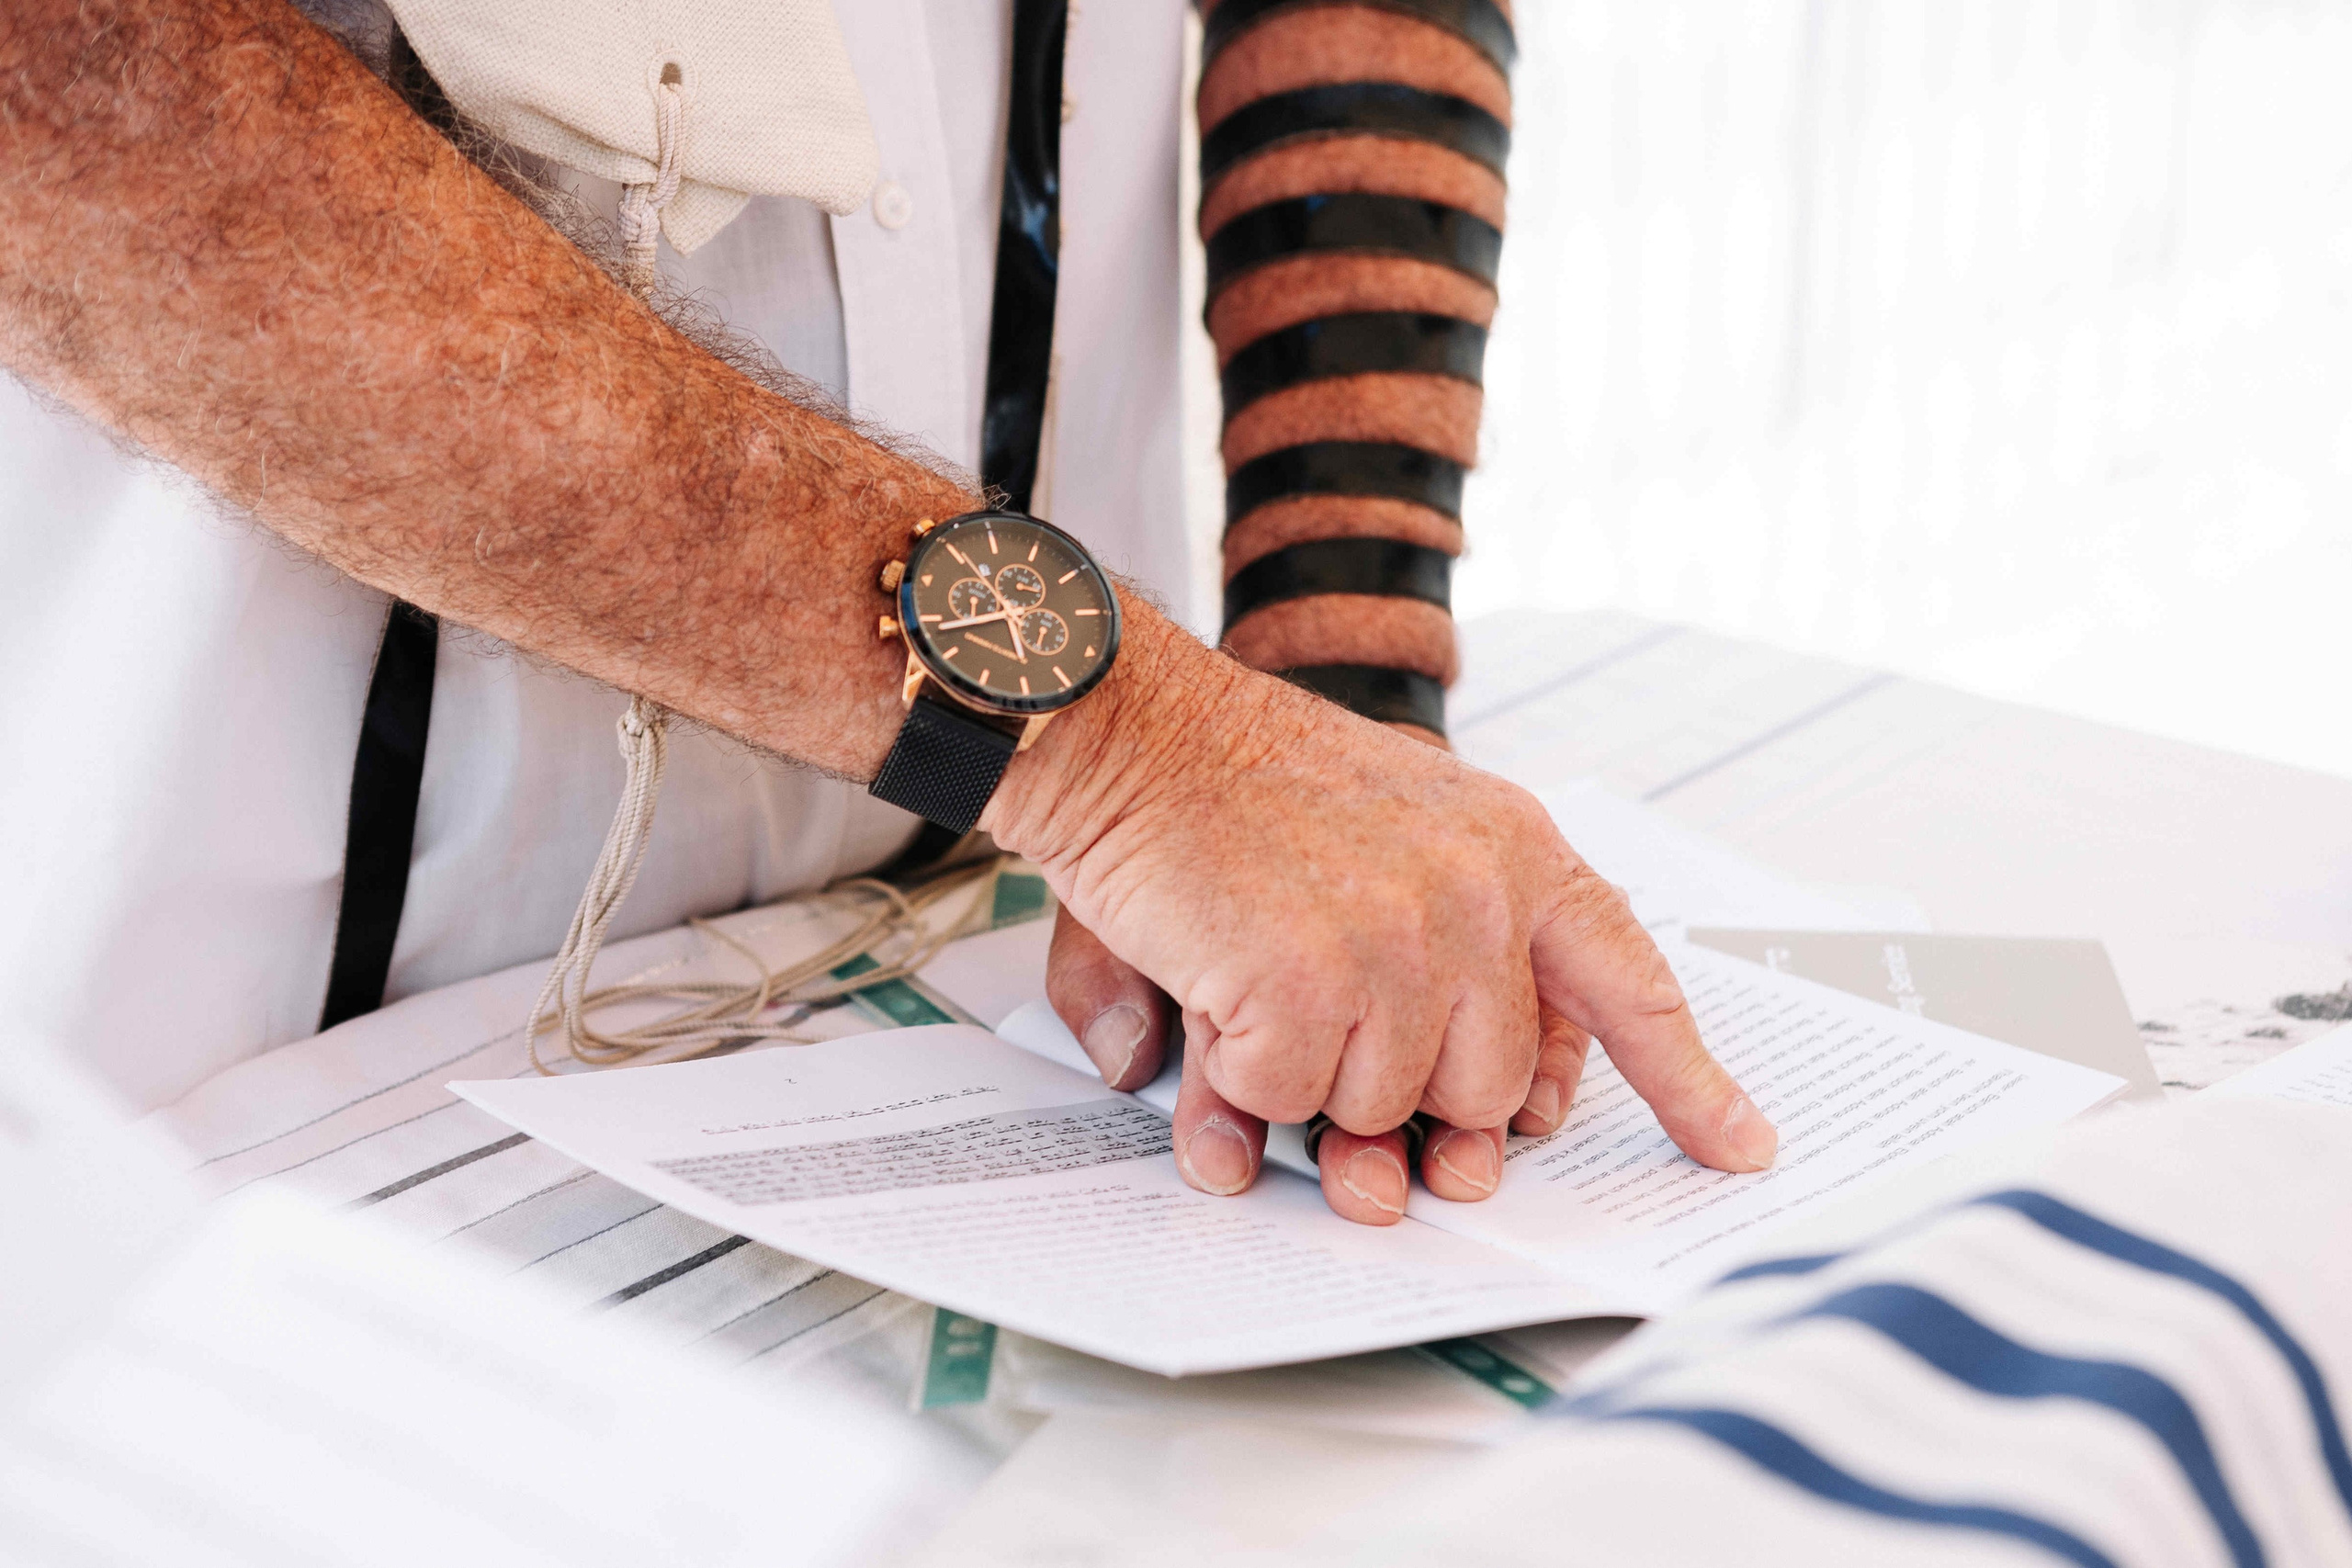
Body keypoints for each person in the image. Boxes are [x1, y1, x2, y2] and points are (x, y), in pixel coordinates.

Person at [0, 0, 1778, 1227]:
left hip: (1036, 981)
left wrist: (1336, 704)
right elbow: (68, 91)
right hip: (257, 1091)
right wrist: (1119, 747)